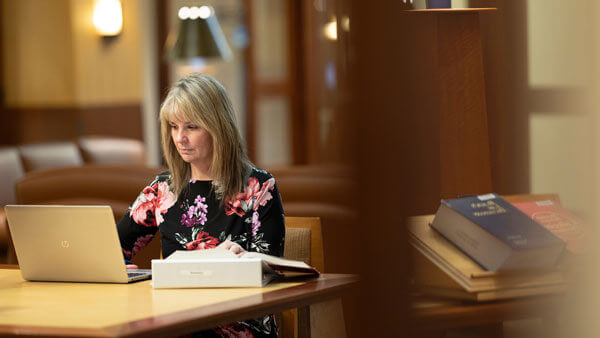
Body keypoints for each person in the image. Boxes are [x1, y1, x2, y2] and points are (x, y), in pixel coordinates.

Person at [117, 73, 285, 337]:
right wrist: (116, 266)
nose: (180, 138)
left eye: (191, 127)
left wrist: (244, 258)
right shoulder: (162, 190)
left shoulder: (259, 187)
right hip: (176, 318)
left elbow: (273, 270)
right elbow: (115, 250)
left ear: (218, 126)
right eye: (173, 126)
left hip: (239, 322)